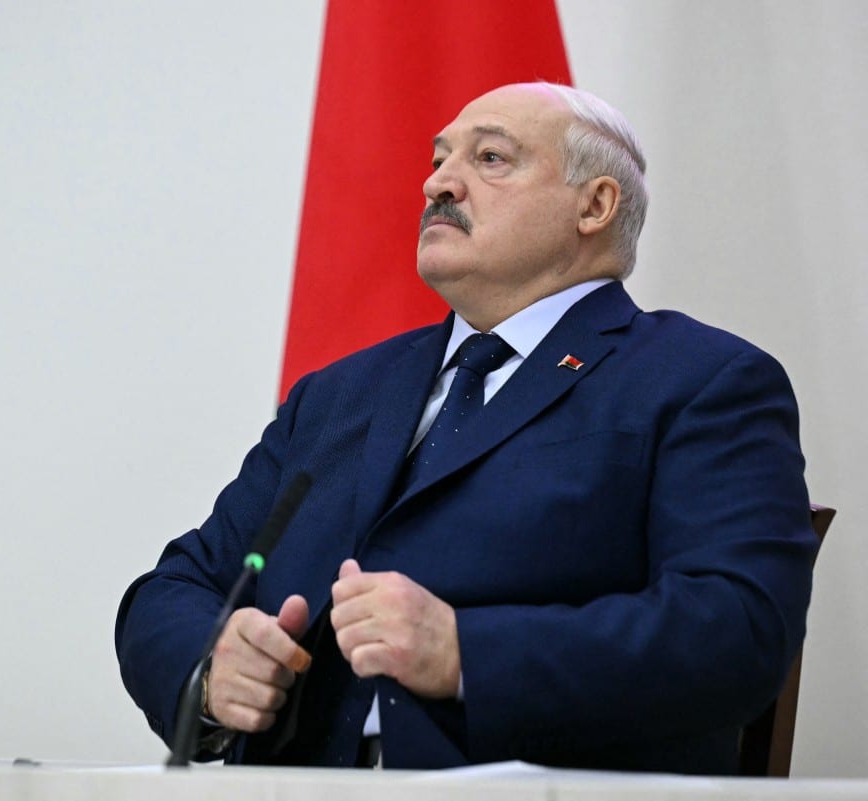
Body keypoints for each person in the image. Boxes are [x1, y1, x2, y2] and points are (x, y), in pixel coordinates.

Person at [114, 82, 816, 773]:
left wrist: (466, 654)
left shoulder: (700, 380)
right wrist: (212, 670)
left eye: (490, 158)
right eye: (438, 158)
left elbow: (739, 626)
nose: (438, 184)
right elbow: (179, 586)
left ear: (595, 205)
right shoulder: (336, 394)